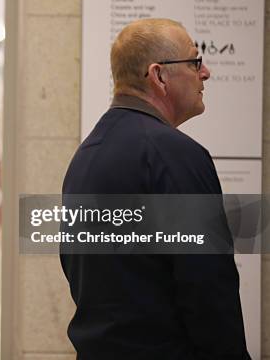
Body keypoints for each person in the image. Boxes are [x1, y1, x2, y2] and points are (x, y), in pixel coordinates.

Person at [61, 18, 250, 359]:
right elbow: (208, 286)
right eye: (194, 61)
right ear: (159, 75)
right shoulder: (175, 154)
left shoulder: (86, 157)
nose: (205, 72)